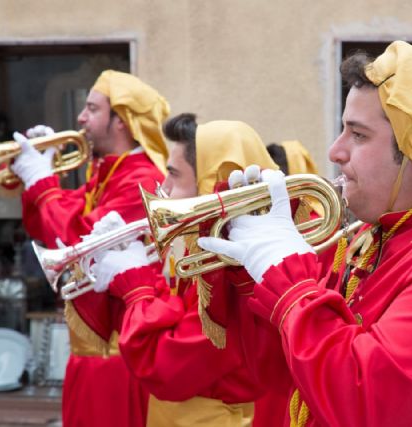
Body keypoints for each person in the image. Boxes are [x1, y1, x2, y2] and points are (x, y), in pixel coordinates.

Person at [198, 41, 412, 425]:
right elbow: (287, 373)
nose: (336, 151)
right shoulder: (375, 236)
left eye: (359, 135)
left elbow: (366, 404)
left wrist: (289, 277)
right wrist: (251, 268)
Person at [89, 118, 284, 426]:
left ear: (209, 185)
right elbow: (177, 317)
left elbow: (166, 367)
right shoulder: (204, 256)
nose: (163, 188)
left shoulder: (231, 271)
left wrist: (137, 286)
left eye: (174, 175)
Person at [9, 70, 169, 427]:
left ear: (121, 122)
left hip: (116, 355)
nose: (80, 118)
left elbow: (75, 240)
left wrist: (43, 181)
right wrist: (41, 174)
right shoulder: (109, 172)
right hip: (92, 352)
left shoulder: (141, 179)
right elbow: (45, 228)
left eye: (92, 109)